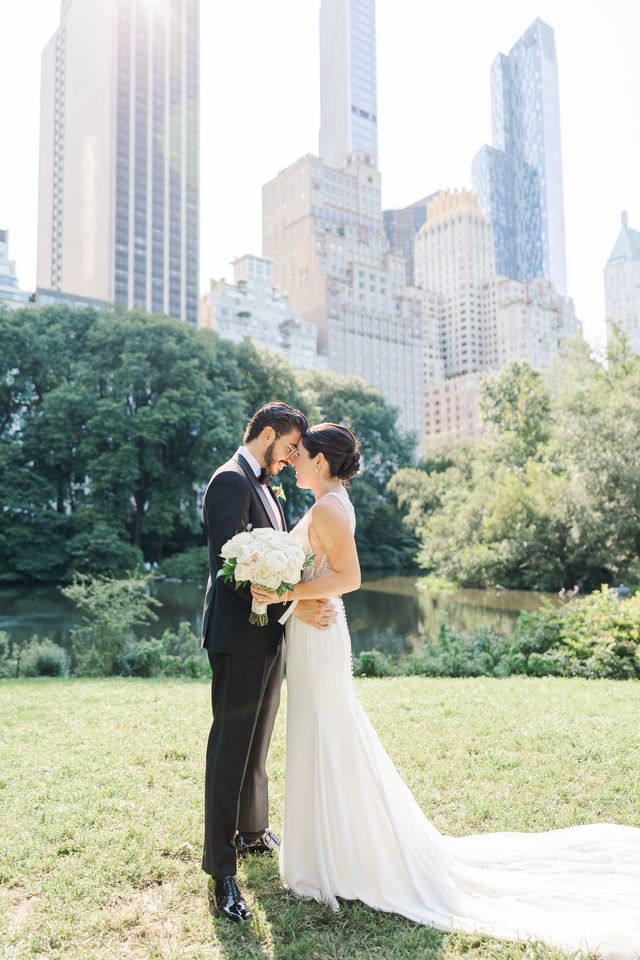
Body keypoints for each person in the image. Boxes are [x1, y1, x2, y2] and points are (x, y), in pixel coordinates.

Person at [251, 422, 640, 959]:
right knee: (323, 733)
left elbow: (350, 577)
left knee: (330, 733)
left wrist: (282, 591)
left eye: (301, 454)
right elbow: (326, 571)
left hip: (319, 640)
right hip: (314, 631)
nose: (292, 460)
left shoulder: (331, 508)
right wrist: (294, 596)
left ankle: (336, 855)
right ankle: (328, 850)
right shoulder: (331, 501)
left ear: (321, 462)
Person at [201, 402, 338, 925]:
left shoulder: (268, 485)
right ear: (266, 435)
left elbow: (274, 556)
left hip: (268, 635)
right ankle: (222, 872)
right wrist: (296, 601)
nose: (291, 458)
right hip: (238, 637)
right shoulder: (229, 481)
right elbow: (228, 569)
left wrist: (295, 595)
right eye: (288, 448)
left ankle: (252, 830)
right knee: (230, 750)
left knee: (258, 741)